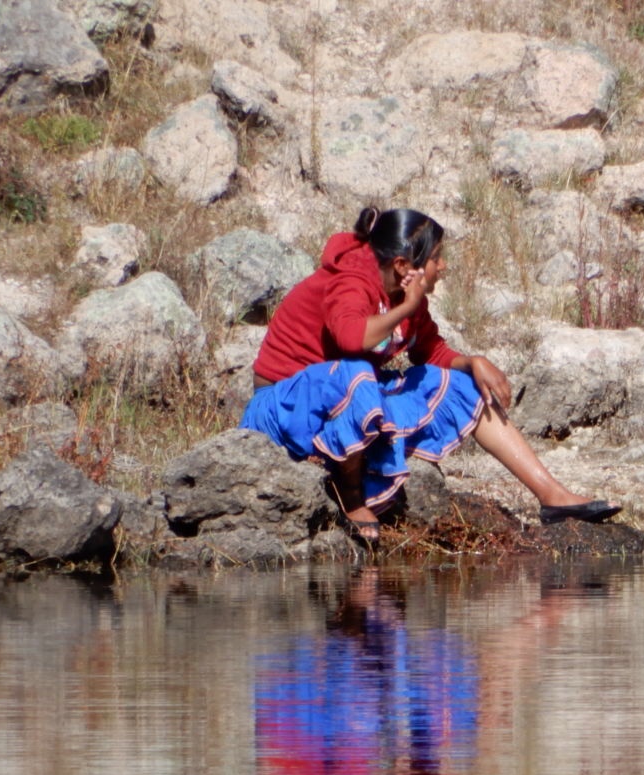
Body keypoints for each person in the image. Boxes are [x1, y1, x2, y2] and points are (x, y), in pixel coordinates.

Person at [240, 206, 621, 544]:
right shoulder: (350, 280)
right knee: (357, 374)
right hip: (285, 406)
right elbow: (351, 337)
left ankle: (551, 496)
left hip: (343, 401)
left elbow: (431, 351)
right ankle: (351, 500)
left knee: (464, 385)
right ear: (405, 267)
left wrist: (472, 362)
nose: (444, 266)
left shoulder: (403, 294)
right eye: (437, 258)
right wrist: (406, 308)